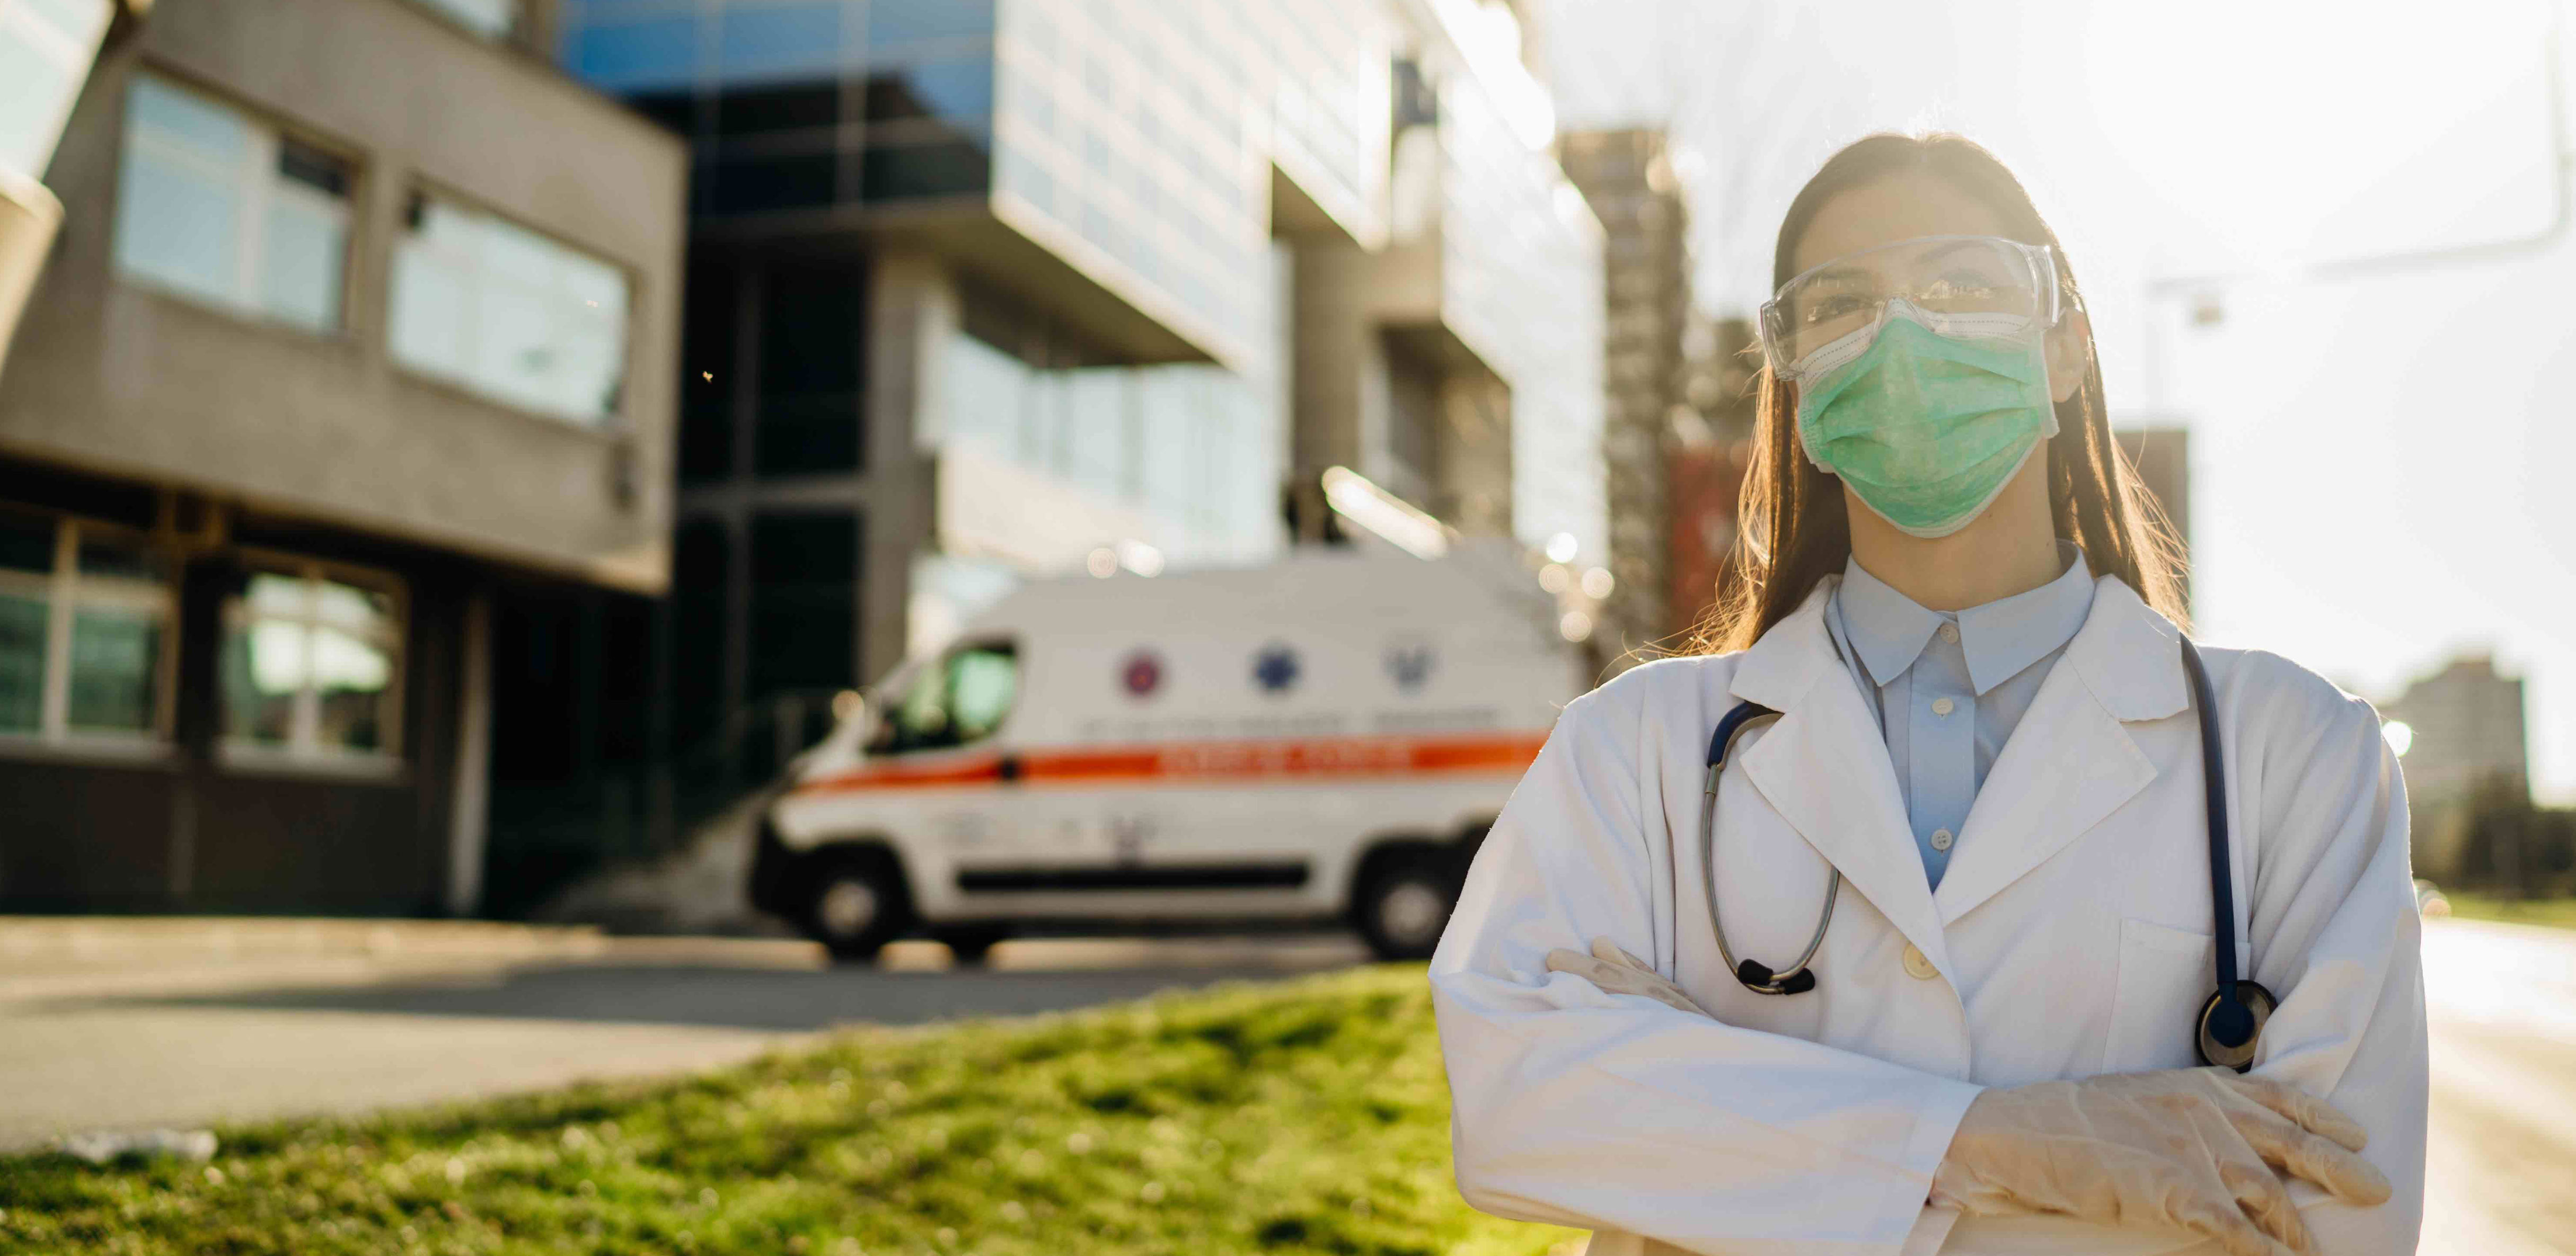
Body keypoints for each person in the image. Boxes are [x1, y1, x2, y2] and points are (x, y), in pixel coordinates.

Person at [1428, 132, 2427, 1256]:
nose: (1901, 337)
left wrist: (1711, 1103)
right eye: (1839, 304)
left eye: (1960, 284)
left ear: (2064, 346)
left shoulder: (2295, 755)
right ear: (1794, 379)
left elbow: (2335, 1207)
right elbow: (1521, 1104)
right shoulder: (1635, 748)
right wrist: (2013, 1141)